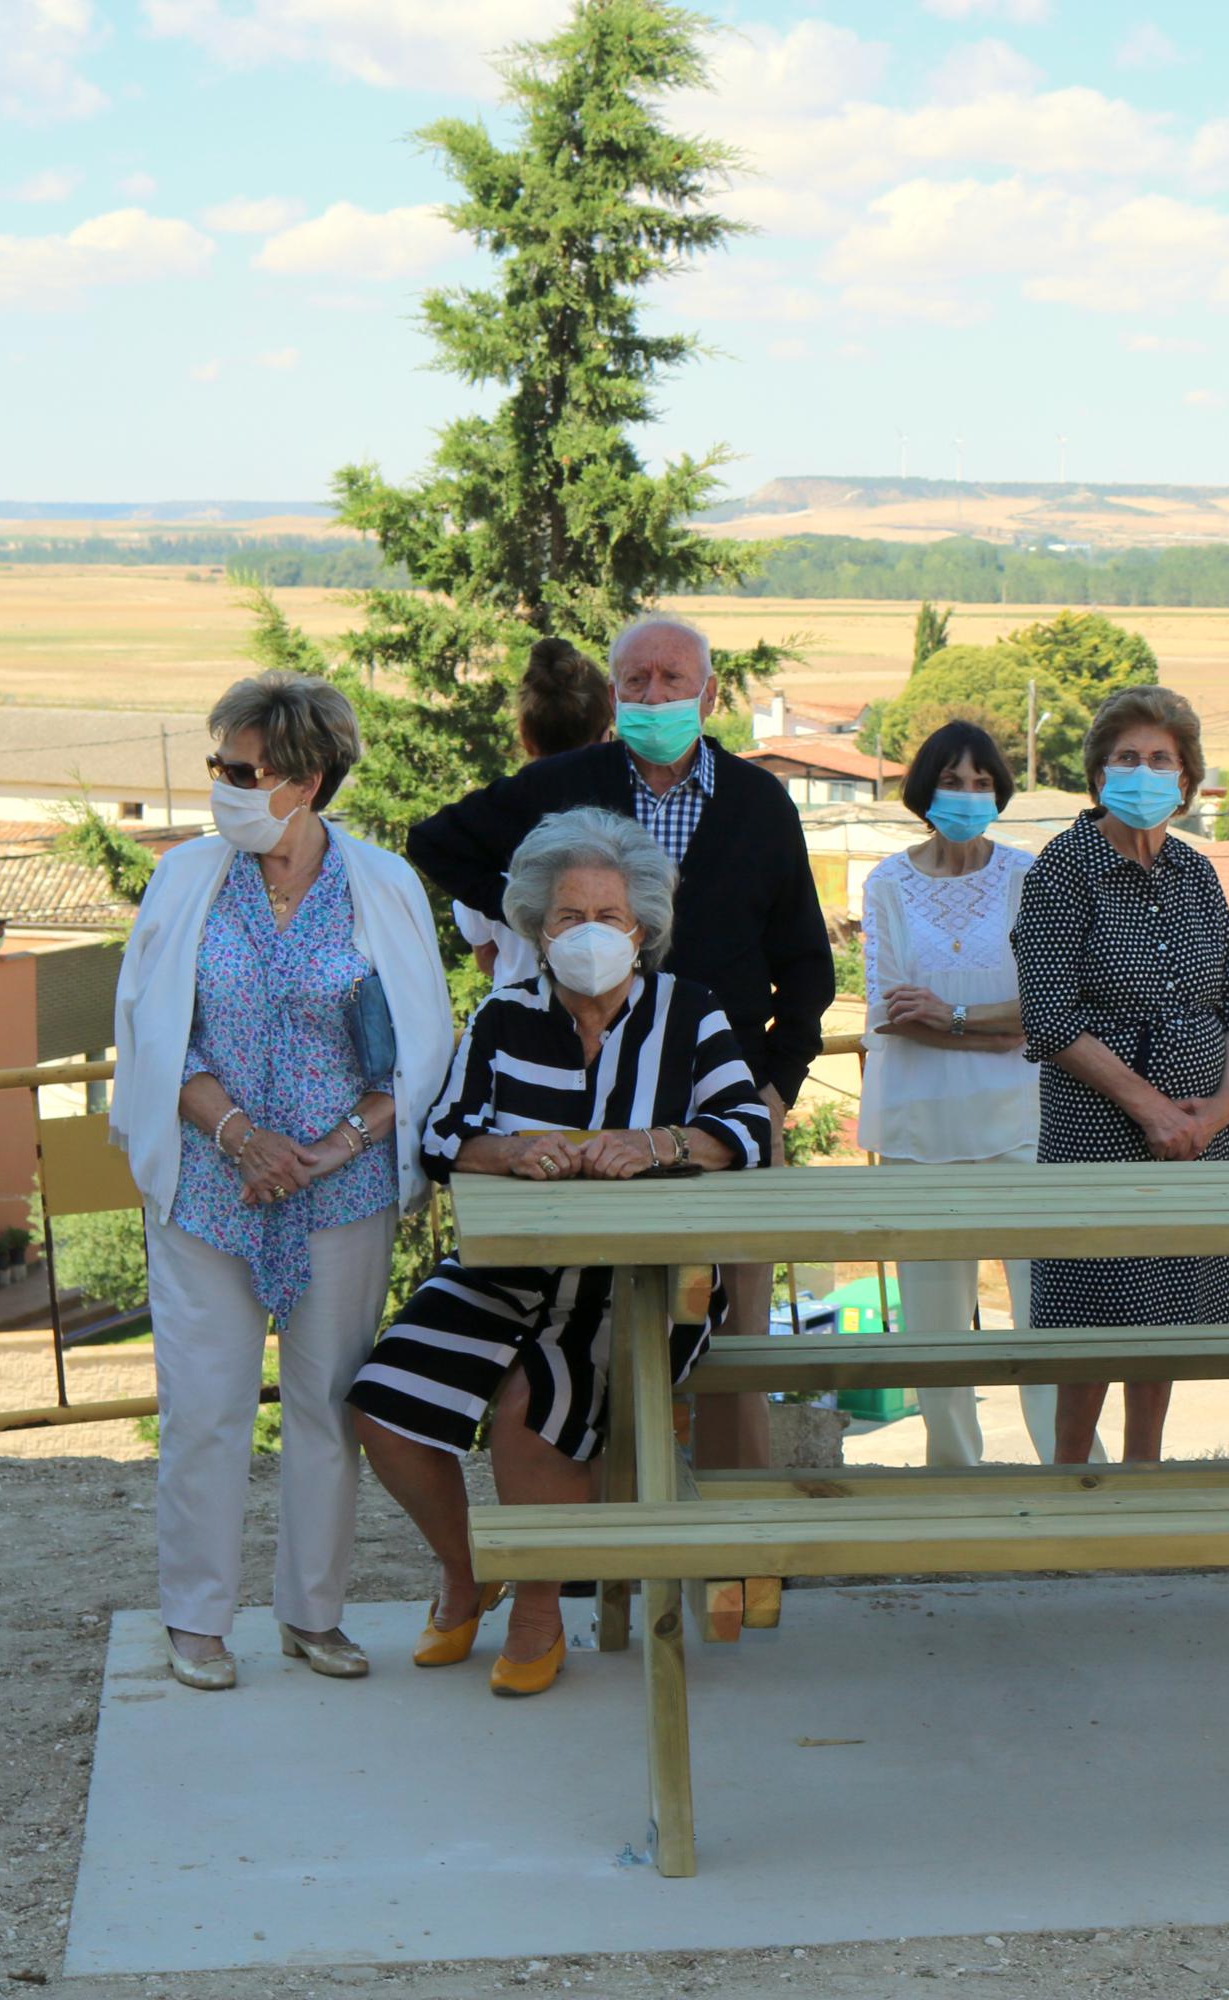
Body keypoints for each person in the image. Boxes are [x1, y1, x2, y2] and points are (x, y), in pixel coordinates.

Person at [349, 809, 775, 1694]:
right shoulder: (505, 1017)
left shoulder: (688, 1014)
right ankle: (470, 1572)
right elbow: (444, 1134)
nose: (589, 935)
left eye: (608, 918)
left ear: (642, 928)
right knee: (384, 1405)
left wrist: (655, 1144)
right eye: (567, 918)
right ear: (537, 928)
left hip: (642, 1287)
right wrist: (509, 1150)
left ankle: (540, 1613)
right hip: (506, 1272)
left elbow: (748, 1129)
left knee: (531, 1403)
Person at [408, 614, 832, 1469]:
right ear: (613, 694)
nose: (654, 696)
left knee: (733, 1336)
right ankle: (605, 1536)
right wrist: (534, 904)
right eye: (636, 681)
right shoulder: (567, 784)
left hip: (722, 1113)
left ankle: (734, 1547)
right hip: (591, 1107)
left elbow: (807, 966)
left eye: (673, 681)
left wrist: (773, 1087)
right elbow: (435, 839)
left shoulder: (758, 803)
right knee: (590, 1329)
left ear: (709, 695)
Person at [108, 672, 456, 1691]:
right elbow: (150, 1033)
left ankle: (314, 1613)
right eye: (221, 765)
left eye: (239, 768)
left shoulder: (382, 887)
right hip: (210, 1195)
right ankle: (197, 1620)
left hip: (342, 1198)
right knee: (206, 1406)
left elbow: (420, 1053)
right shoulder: (186, 880)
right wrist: (242, 1136)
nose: (221, 784)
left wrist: (337, 1146)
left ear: (304, 780)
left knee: (325, 1404)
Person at [1013, 686, 1229, 1464]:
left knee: (1165, 1321)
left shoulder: (1195, 872)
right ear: (1098, 776)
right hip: (1098, 1134)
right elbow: (1050, 1019)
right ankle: (1069, 1484)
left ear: (1186, 781)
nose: (1145, 772)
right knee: (1093, 1323)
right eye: (1127, 758)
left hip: (1196, 1139)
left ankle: (1144, 1478)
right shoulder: (1064, 867)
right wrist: (1153, 1110)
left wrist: (1219, 1111)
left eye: (1162, 760)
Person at [860, 719, 1082, 1466]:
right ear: (925, 790)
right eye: (953, 781)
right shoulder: (887, 881)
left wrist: (959, 1020)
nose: (967, 795)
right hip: (917, 1125)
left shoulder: (1031, 875)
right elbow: (893, 1014)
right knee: (932, 1320)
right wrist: (1000, 1031)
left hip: (1023, 1120)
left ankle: (1065, 1467)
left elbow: (1052, 1003)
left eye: (982, 782)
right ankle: (952, 1472)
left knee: (1043, 1309)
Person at [454, 636, 613, 990]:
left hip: (515, 1027)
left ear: (525, 736)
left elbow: (486, 955)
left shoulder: (489, 823)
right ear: (607, 736)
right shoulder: (628, 827)